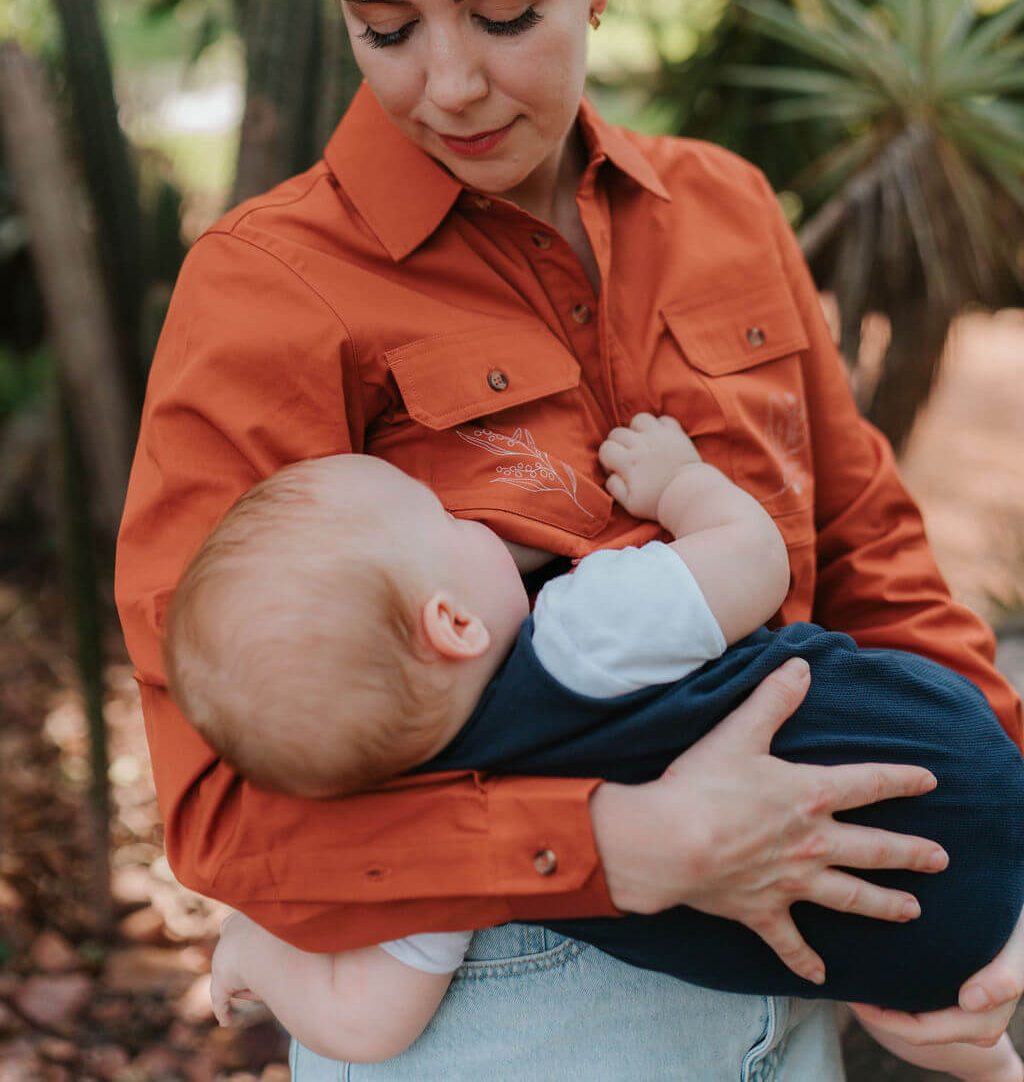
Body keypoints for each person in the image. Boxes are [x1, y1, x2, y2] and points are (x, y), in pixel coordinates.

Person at [115, 0, 1024, 1081]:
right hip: (504, 1002)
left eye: (504, 13)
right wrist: (620, 842)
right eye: (385, 29)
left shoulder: (725, 204)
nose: (452, 82)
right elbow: (223, 809)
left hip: (805, 971)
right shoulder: (268, 291)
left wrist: (993, 889)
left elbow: (880, 566)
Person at [164, 417, 1023, 1079]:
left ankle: (984, 1057)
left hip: (905, 950)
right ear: (453, 622)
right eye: (446, 520)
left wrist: (262, 955)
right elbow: (752, 556)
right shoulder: (580, 633)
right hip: (950, 772)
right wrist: (681, 480)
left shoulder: (452, 832)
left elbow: (370, 1022)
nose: (477, 522)